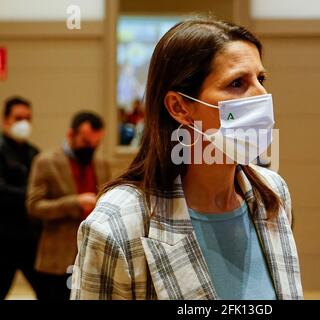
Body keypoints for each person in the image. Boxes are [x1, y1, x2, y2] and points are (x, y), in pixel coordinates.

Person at [71, 19, 303, 300]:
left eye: (261, 79)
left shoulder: (273, 196)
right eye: (237, 83)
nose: (262, 96)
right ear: (179, 107)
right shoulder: (118, 224)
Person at [27, 111, 111, 300]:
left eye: (96, 143)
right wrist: (75, 203)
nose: (91, 148)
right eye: (86, 142)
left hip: (92, 256)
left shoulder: (102, 162)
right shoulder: (45, 161)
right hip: (56, 257)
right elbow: (34, 206)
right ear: (70, 135)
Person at [0, 96, 43, 299]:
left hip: (29, 236)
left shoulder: (34, 152)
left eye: (27, 118)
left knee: (48, 290)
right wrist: (31, 196)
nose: (23, 123)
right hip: (3, 238)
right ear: (5, 119)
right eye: (18, 118)